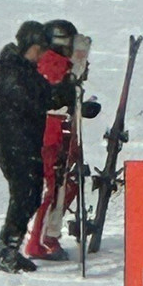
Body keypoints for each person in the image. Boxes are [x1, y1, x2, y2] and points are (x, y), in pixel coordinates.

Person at [0, 21, 73, 272]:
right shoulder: (10, 72)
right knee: (24, 197)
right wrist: (51, 96)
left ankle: (9, 249)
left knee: (30, 196)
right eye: (40, 49)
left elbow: (44, 95)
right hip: (16, 145)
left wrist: (64, 93)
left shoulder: (25, 70)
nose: (41, 55)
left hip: (28, 143)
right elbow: (30, 101)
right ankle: (7, 250)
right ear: (31, 46)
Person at [25, 20, 100, 262]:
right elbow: (52, 100)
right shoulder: (51, 65)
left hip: (62, 133)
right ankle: (39, 241)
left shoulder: (62, 66)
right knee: (53, 187)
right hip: (52, 135)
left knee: (66, 185)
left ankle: (49, 234)